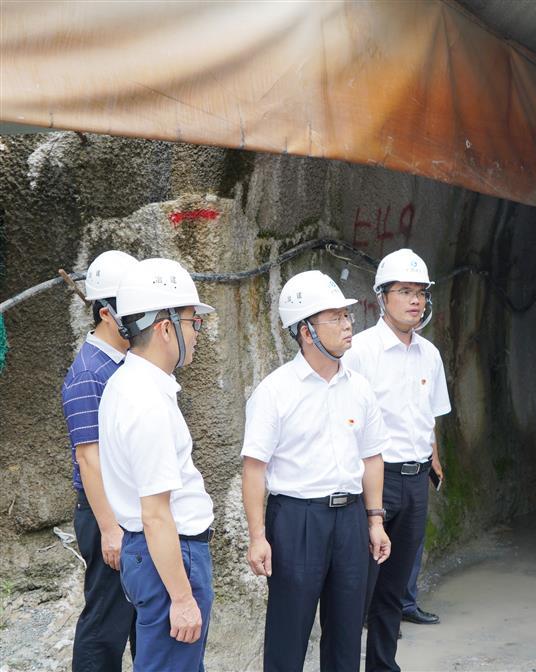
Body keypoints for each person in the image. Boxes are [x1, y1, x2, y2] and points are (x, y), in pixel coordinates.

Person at [241, 270, 391, 672]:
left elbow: (371, 457)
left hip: (350, 519)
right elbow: (254, 468)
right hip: (297, 520)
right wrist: (257, 537)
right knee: (288, 634)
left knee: (346, 633)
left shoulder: (359, 388)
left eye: (347, 315)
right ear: (306, 332)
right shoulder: (275, 392)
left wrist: (375, 520)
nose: (347, 325)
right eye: (335, 318)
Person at [98, 257, 216, 671]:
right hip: (170, 554)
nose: (197, 333)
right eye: (192, 322)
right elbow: (156, 514)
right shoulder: (147, 402)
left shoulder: (126, 384)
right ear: (165, 328)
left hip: (153, 554)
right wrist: (182, 599)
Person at [343, 248, 451, 672]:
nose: (415, 301)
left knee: (395, 586)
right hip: (375, 479)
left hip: (415, 479)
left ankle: (383, 665)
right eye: (404, 291)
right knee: (360, 585)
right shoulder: (360, 351)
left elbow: (429, 418)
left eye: (420, 292)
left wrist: (434, 460)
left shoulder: (430, 354)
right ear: (382, 297)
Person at [63, 250, 138, 671]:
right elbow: (88, 459)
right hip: (104, 513)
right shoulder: (88, 373)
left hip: (130, 508)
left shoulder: (124, 364)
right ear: (107, 313)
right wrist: (110, 529)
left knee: (140, 612)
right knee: (106, 620)